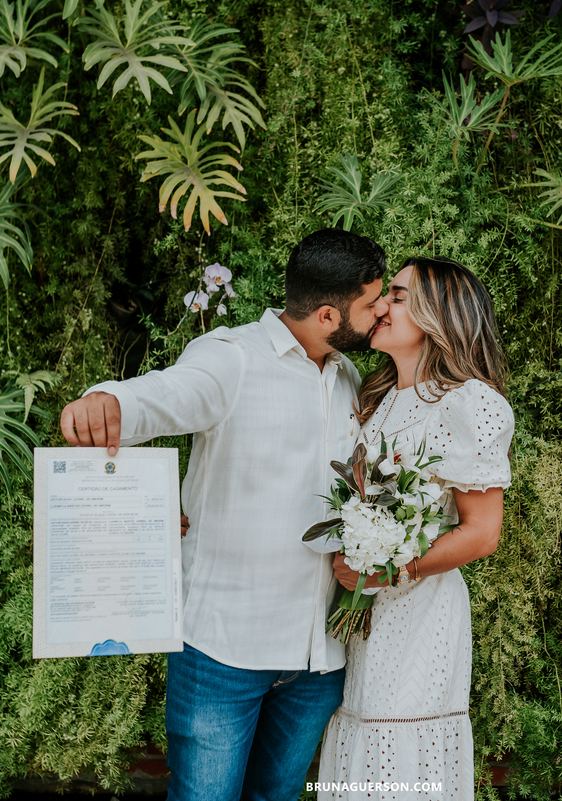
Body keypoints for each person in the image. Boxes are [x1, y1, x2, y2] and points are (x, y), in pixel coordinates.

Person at [58, 228, 388, 801]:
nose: (383, 310)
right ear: (330, 315)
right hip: (223, 653)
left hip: (318, 660)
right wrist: (108, 403)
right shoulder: (229, 358)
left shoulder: (348, 378)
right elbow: (168, 394)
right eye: (373, 302)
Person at [316, 257, 514, 800]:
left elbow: (482, 532)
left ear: (439, 315)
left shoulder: (470, 404)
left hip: (422, 613)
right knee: (361, 731)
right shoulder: (375, 401)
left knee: (397, 746)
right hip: (367, 619)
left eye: (398, 296)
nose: (381, 307)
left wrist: (391, 567)